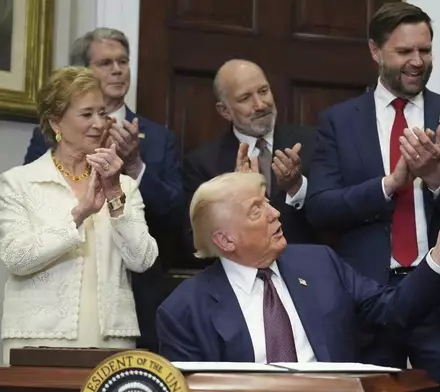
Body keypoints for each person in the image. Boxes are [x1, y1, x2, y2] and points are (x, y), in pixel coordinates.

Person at [304, 3, 440, 391]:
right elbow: (320, 207)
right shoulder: (338, 122)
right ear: (375, 51)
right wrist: (389, 184)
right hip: (367, 297)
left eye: (425, 49)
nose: (417, 61)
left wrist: (435, 176)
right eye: (404, 52)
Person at [157, 172, 440, 362]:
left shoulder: (319, 263)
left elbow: (393, 310)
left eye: (268, 201)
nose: (275, 214)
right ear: (225, 240)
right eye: (257, 210)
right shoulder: (184, 310)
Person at [22, 28, 183, 352]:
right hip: (62, 289)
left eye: (123, 61)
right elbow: (33, 205)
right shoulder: (49, 135)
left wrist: (134, 168)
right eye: (106, 62)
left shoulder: (158, 137)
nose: (117, 70)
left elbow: (174, 216)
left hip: (137, 294)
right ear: (84, 71)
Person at [0, 66, 159, 364]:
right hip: (35, 342)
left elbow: (143, 260)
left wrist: (114, 196)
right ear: (56, 122)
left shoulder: (122, 184)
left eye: (102, 113)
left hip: (111, 342)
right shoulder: (19, 182)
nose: (99, 124)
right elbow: (16, 258)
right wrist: (79, 214)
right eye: (87, 114)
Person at [182, 59, 318, 245]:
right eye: (245, 98)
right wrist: (237, 202)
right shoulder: (202, 165)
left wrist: (296, 187)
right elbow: (196, 240)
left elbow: (332, 218)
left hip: (303, 267)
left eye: (263, 91)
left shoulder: (312, 143)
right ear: (225, 111)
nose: (260, 104)